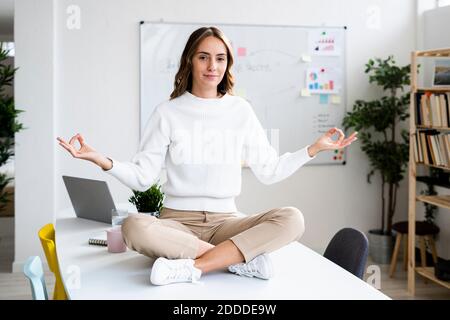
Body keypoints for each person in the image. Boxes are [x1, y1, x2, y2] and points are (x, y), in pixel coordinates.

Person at [57, 26, 357, 286]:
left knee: (292, 219)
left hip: (227, 222)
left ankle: (196, 265)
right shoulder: (167, 112)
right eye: (203, 56)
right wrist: (101, 159)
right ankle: (236, 260)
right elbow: (143, 177)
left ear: (228, 64)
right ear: (190, 60)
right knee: (133, 227)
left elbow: (269, 170)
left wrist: (313, 149)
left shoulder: (241, 110)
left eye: (220, 58)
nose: (212, 65)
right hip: (177, 224)